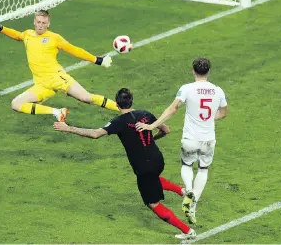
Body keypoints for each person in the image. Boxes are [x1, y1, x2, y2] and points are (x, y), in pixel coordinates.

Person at [54, 88, 196, 240]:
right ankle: (182, 192)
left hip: (143, 167)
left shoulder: (119, 122)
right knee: (153, 179)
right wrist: (151, 140)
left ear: (116, 104)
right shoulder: (145, 114)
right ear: (132, 100)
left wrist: (68, 128)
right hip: (157, 159)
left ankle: (188, 232)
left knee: (152, 203)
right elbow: (166, 130)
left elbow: (95, 134)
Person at [136, 58, 228, 224]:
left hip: (190, 139)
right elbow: (223, 113)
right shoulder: (218, 91)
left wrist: (153, 126)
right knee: (203, 169)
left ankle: (189, 190)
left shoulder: (187, 89)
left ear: (193, 71)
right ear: (209, 72)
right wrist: (207, 120)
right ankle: (193, 204)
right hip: (208, 139)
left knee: (186, 165)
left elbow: (173, 109)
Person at [0, 10, 118, 122]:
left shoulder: (54, 38)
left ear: (48, 24)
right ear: (34, 22)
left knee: (87, 98)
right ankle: (57, 112)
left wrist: (97, 60)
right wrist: (0, 28)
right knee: (16, 104)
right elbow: (17, 35)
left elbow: (74, 50)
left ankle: (122, 108)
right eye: (38, 22)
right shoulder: (28, 34)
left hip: (58, 78)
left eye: (43, 23)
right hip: (41, 85)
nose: (40, 25)